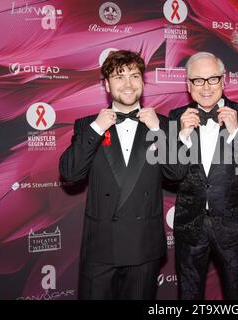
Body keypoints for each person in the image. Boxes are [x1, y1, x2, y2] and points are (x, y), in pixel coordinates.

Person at [59, 50, 182, 299]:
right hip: (100, 244)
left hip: (143, 246)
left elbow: (176, 172)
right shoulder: (87, 125)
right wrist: (96, 129)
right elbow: (70, 173)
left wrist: (158, 130)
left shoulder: (162, 123)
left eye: (134, 76)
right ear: (106, 84)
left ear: (142, 82)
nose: (128, 84)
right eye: (119, 76)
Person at [169, 51, 238, 300]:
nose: (206, 87)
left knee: (236, 294)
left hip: (232, 228)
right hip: (189, 226)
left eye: (213, 79)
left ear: (224, 80)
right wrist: (181, 137)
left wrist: (237, 132)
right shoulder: (177, 118)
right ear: (188, 84)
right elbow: (169, 174)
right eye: (198, 80)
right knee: (188, 295)